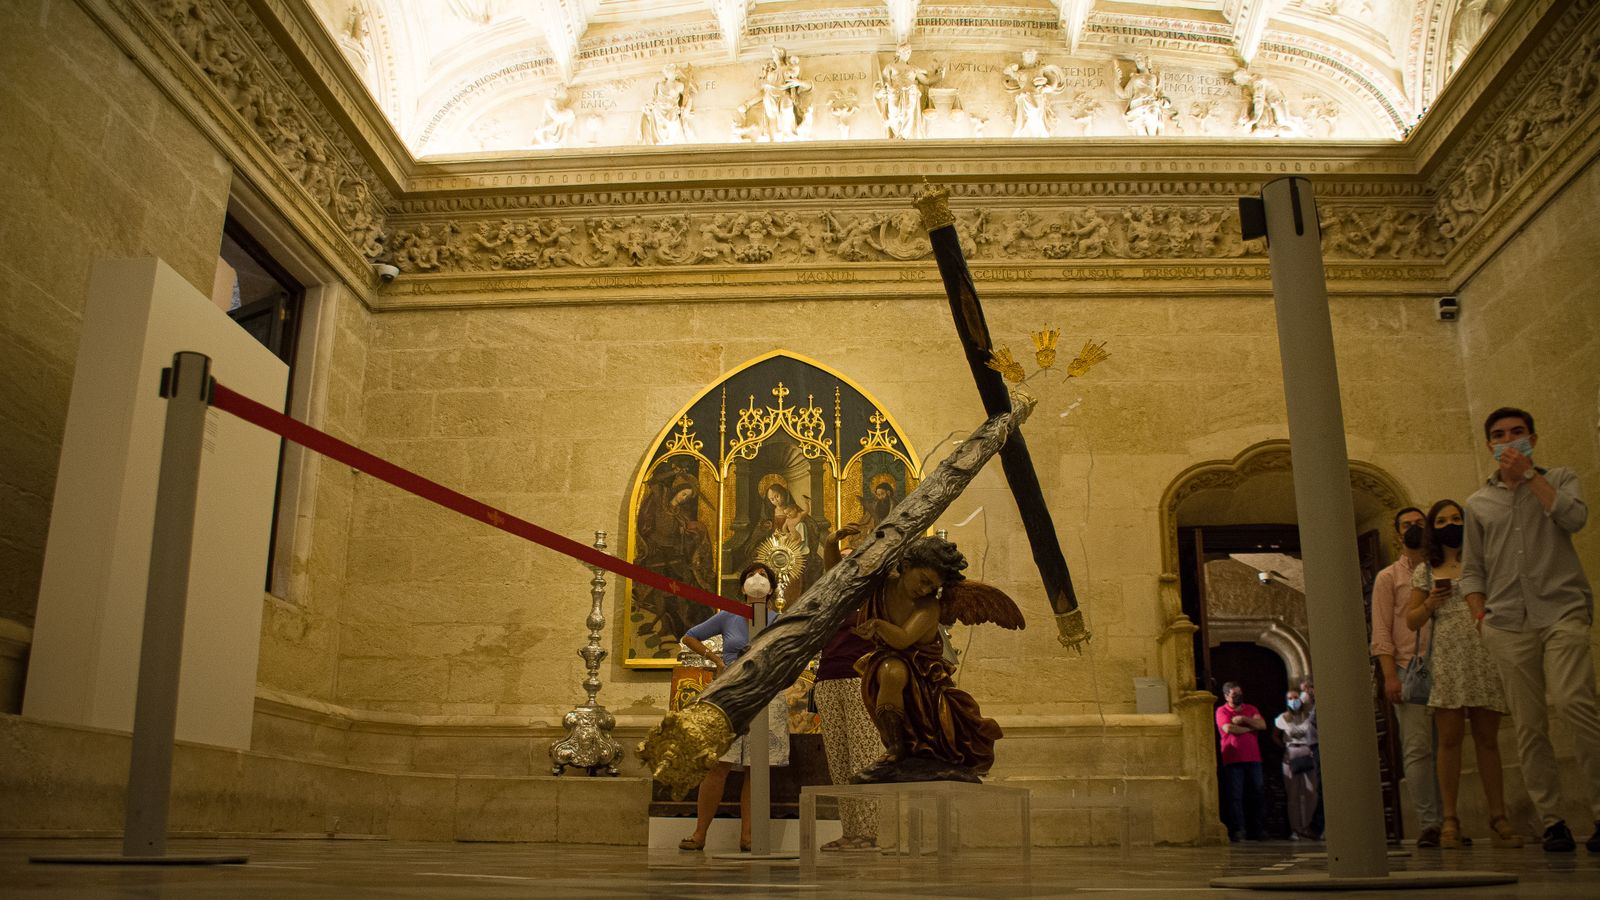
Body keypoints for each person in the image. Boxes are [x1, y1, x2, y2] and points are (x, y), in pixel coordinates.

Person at [1463, 407, 1600, 853]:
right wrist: (1480, 617)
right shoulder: (1477, 503)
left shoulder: (1559, 478)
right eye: (1499, 435)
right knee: (1529, 724)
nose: (1508, 440)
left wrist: (1530, 478)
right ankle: (1553, 819)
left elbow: (1574, 519)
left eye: (1517, 433)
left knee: (1575, 702)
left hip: (1562, 609)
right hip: (1506, 622)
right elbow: (1472, 569)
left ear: (1532, 439)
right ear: (1489, 445)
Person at [853, 536, 1022, 782]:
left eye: (932, 587)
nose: (924, 590)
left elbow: (902, 639)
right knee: (892, 671)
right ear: (906, 565)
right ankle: (895, 748)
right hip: (890, 662)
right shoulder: (880, 587)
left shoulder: (929, 606)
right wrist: (830, 543)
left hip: (924, 675)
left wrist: (878, 624)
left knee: (898, 677)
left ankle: (925, 756)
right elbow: (841, 578)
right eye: (923, 581)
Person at [1405, 499, 1522, 849]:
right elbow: (1411, 620)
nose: (1450, 524)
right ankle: (1450, 819)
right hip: (1448, 658)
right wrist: (1429, 604)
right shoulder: (1425, 570)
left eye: (1456, 518)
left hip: (1485, 653)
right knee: (1450, 740)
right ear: (1432, 528)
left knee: (1488, 740)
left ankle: (1499, 816)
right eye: (1441, 520)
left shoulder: (1483, 562)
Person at [677, 562, 787, 852]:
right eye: (751, 574)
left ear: (772, 587)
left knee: (757, 768)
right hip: (731, 692)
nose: (757, 579)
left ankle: (748, 835)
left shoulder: (779, 620)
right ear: (742, 587)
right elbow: (689, 635)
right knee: (718, 764)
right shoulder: (728, 615)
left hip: (765, 693)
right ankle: (700, 833)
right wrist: (715, 660)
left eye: (764, 575)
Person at [1371, 506, 1445, 846]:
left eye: (1420, 523)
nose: (1414, 528)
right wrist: (1390, 676)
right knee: (1417, 747)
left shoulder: (1445, 568)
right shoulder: (1389, 577)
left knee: (1448, 745)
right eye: (1407, 525)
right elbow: (1382, 630)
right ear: (1398, 533)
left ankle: (1452, 820)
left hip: (1448, 662)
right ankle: (1430, 823)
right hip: (1408, 666)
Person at [811, 523, 885, 851]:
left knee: (864, 756)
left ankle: (869, 833)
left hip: (860, 679)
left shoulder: (874, 594)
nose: (844, 563)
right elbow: (830, 565)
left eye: (850, 559)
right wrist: (831, 540)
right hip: (828, 679)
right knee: (839, 761)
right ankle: (849, 831)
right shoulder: (835, 597)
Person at [1216, 681, 1267, 842]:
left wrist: (1244, 719)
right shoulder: (1222, 711)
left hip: (1253, 758)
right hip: (1233, 759)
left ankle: (1257, 829)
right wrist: (1250, 728)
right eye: (1234, 694)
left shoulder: (1251, 709)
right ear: (1226, 696)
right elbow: (1229, 728)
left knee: (1257, 793)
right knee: (1235, 796)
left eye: (1239, 693)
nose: (1238, 697)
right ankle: (1239, 829)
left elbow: (1262, 725)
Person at [1275, 688, 1320, 840]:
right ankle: (1296, 829)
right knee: (1293, 794)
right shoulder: (1283, 718)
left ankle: (1307, 826)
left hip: (1308, 753)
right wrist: (1284, 748)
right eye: (1290, 698)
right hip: (1291, 754)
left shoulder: (1308, 717)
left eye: (1296, 697)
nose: (1293, 700)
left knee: (1311, 792)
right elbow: (1275, 735)